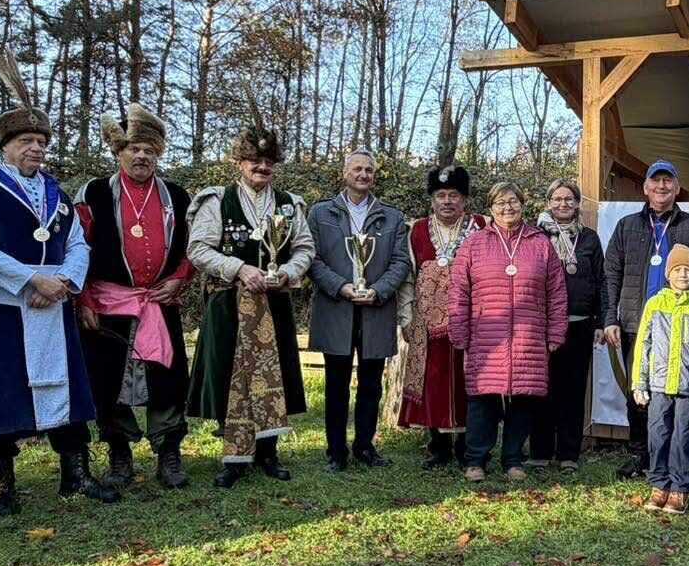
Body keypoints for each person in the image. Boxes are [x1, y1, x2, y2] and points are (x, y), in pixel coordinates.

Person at [0, 58, 114, 516]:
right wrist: (31, 280)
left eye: (41, 142)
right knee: (1, 394)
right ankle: (2, 485)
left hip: (53, 303)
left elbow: (78, 243)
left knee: (69, 388)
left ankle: (76, 475)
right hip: (2, 307)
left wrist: (62, 282)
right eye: (27, 141)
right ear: (5, 145)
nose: (36, 149)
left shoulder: (58, 193)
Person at [186, 125, 315, 488]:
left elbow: (305, 248)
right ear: (238, 162)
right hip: (229, 304)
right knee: (230, 375)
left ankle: (268, 451)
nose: (261, 167)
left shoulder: (290, 204)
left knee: (275, 375)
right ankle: (233, 456)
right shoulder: (216, 200)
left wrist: (287, 272)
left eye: (268, 162)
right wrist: (239, 268)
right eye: (254, 161)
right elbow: (197, 249)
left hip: (274, 304)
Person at [74, 103, 194, 492]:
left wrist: (179, 279)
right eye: (133, 149)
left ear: (158, 153)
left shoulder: (177, 195)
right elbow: (77, 246)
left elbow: (196, 245)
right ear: (118, 152)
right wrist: (85, 298)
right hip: (109, 303)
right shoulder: (94, 192)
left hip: (160, 301)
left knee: (168, 378)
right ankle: (120, 454)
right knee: (109, 380)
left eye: (149, 150)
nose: (141, 156)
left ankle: (168, 453)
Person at [448, 182, 566, 483]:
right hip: (486, 337)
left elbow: (556, 291)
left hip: (529, 336)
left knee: (524, 399)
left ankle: (513, 459)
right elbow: (459, 291)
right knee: (482, 399)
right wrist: (459, 331)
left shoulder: (540, 243)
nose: (507, 207)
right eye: (500, 202)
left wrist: (555, 332)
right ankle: (476, 460)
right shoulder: (474, 244)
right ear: (490, 207)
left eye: (513, 201)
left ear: (522, 204)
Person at [308, 148, 410, 472]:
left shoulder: (392, 217)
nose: (363, 174)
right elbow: (311, 258)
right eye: (357, 169)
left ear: (374, 176)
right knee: (335, 384)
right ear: (344, 173)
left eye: (368, 170)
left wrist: (378, 291)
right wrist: (341, 286)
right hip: (336, 308)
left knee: (371, 384)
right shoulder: (321, 213)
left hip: (375, 311)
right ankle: (335, 452)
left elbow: (401, 262)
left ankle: (365, 446)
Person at [600, 161, 689, 477]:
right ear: (645, 187)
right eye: (655, 181)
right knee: (639, 391)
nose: (661, 186)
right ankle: (641, 456)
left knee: (679, 394)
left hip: (680, 325)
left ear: (677, 187)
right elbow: (610, 274)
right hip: (635, 322)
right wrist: (609, 318)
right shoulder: (626, 225)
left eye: (667, 181)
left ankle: (676, 459)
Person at [400, 164, 487, 469]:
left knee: (469, 381)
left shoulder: (481, 225)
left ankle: (469, 445)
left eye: (454, 195)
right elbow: (407, 278)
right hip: (427, 321)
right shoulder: (417, 230)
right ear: (432, 199)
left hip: (472, 320)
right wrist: (406, 317)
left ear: (464, 198)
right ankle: (437, 445)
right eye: (441, 195)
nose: (447, 201)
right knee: (433, 382)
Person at [630, 243, 689, 513]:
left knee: (684, 436)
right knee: (658, 434)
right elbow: (643, 344)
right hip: (658, 385)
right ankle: (658, 483)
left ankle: (680, 487)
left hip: (688, 387)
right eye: (677, 269)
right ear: (668, 274)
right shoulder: (655, 303)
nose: (682, 275)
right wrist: (638, 382)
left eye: (688, 270)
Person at [530, 177, 605, 471]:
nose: (563, 204)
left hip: (580, 324)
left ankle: (568, 455)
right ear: (549, 203)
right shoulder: (535, 237)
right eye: (557, 199)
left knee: (573, 391)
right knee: (542, 389)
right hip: (542, 326)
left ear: (577, 203)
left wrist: (601, 319)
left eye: (568, 199)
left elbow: (601, 280)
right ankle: (539, 452)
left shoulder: (589, 238)